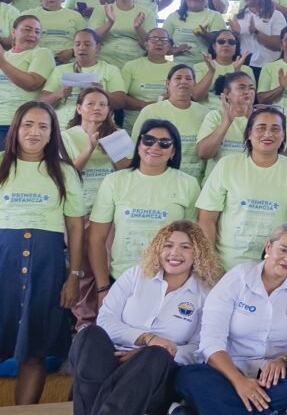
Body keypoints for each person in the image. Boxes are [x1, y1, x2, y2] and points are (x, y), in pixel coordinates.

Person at [52, 221, 220, 415]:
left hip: (157, 375)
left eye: (186, 247)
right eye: (168, 245)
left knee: (157, 355)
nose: (175, 253)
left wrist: (151, 350)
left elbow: (199, 348)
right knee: (88, 335)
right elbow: (106, 320)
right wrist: (146, 338)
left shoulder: (206, 293)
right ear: (158, 249)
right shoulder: (134, 275)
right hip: (116, 359)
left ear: (198, 254)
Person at [171, 224, 287, 415]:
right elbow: (211, 341)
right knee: (188, 377)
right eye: (283, 250)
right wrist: (239, 382)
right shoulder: (238, 278)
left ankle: (203, 414)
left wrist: (283, 360)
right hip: (227, 373)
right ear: (268, 246)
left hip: (276, 377)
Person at [0, 102, 85, 405]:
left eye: (43, 126)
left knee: (34, 351)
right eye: (27, 125)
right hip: (3, 263)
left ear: (52, 134)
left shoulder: (63, 172)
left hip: (46, 266)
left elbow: (76, 228)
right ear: (16, 129)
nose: (34, 132)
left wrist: (73, 276)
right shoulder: (1, 164)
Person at [88, 119, 200, 286]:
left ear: (173, 151)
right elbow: (96, 238)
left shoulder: (188, 184)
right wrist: (102, 287)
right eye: (148, 140)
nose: (155, 147)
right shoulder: (114, 181)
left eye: (164, 143)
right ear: (138, 145)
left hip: (169, 280)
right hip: (121, 279)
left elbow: (193, 240)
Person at [196, 105, 287, 270]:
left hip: (276, 267)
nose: (268, 134)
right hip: (227, 265)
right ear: (248, 134)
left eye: (275, 129)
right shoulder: (227, 165)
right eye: (261, 128)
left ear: (284, 136)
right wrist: (209, 263)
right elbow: (207, 218)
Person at [132, 64, 209, 181]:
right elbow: (136, 146)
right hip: (158, 177)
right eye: (178, 78)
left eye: (188, 78)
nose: (183, 81)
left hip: (195, 178)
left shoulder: (205, 113)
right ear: (168, 84)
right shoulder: (151, 111)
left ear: (194, 84)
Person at [61, 87, 131, 214]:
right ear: (79, 108)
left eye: (102, 104)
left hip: (111, 201)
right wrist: (90, 148)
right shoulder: (66, 136)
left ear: (109, 110)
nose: (97, 108)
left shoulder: (119, 134)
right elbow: (69, 173)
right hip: (78, 202)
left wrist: (111, 145)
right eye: (90, 104)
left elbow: (128, 172)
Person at [41, 28, 127, 126]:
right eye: (77, 44)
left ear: (98, 47)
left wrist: (101, 92)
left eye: (87, 44)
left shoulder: (110, 70)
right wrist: (59, 94)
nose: (81, 48)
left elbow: (121, 102)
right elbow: (42, 102)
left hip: (97, 126)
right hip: (61, 127)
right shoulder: (60, 70)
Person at [0, 15, 54, 145]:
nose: (32, 35)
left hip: (19, 123)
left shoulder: (42, 53)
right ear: (14, 32)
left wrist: (2, 63)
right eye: (27, 30)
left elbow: (32, 83)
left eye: (37, 32)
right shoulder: (5, 56)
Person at [195, 71, 254, 177]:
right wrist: (227, 121)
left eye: (251, 88)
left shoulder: (261, 118)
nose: (247, 92)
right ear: (227, 93)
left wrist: (252, 120)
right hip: (217, 182)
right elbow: (203, 153)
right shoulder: (215, 116)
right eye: (241, 88)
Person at [89, 0, 155, 68]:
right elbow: (92, 39)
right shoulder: (102, 9)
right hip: (104, 61)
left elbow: (149, 45)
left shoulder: (147, 13)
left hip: (135, 62)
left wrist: (138, 28)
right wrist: (109, 23)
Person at [119, 28, 174, 129]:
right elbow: (120, 97)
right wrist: (146, 105)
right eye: (154, 39)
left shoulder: (176, 69)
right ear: (146, 44)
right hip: (134, 123)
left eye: (164, 40)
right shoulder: (131, 66)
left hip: (168, 122)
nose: (159, 43)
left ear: (169, 46)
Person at [231, 0, 287, 75]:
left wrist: (255, 32)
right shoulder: (239, 17)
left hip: (270, 65)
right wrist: (234, 35)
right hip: (246, 65)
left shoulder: (276, 15)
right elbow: (232, 43)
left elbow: (278, 45)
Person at [163, 0, 226, 66]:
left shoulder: (215, 16)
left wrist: (205, 35)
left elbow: (223, 43)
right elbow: (162, 47)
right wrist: (176, 50)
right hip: (179, 67)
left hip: (207, 67)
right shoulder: (173, 17)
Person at [21, 0, 86, 64]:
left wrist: (72, 52)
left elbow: (86, 40)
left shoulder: (75, 16)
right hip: (35, 60)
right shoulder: (27, 15)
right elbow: (18, 41)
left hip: (68, 62)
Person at [192, 29, 253, 106]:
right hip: (207, 112)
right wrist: (211, 71)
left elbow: (248, 98)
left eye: (231, 42)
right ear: (214, 46)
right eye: (221, 42)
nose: (226, 45)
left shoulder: (246, 69)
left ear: (236, 47)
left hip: (236, 111)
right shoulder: (200, 67)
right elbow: (196, 97)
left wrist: (237, 71)